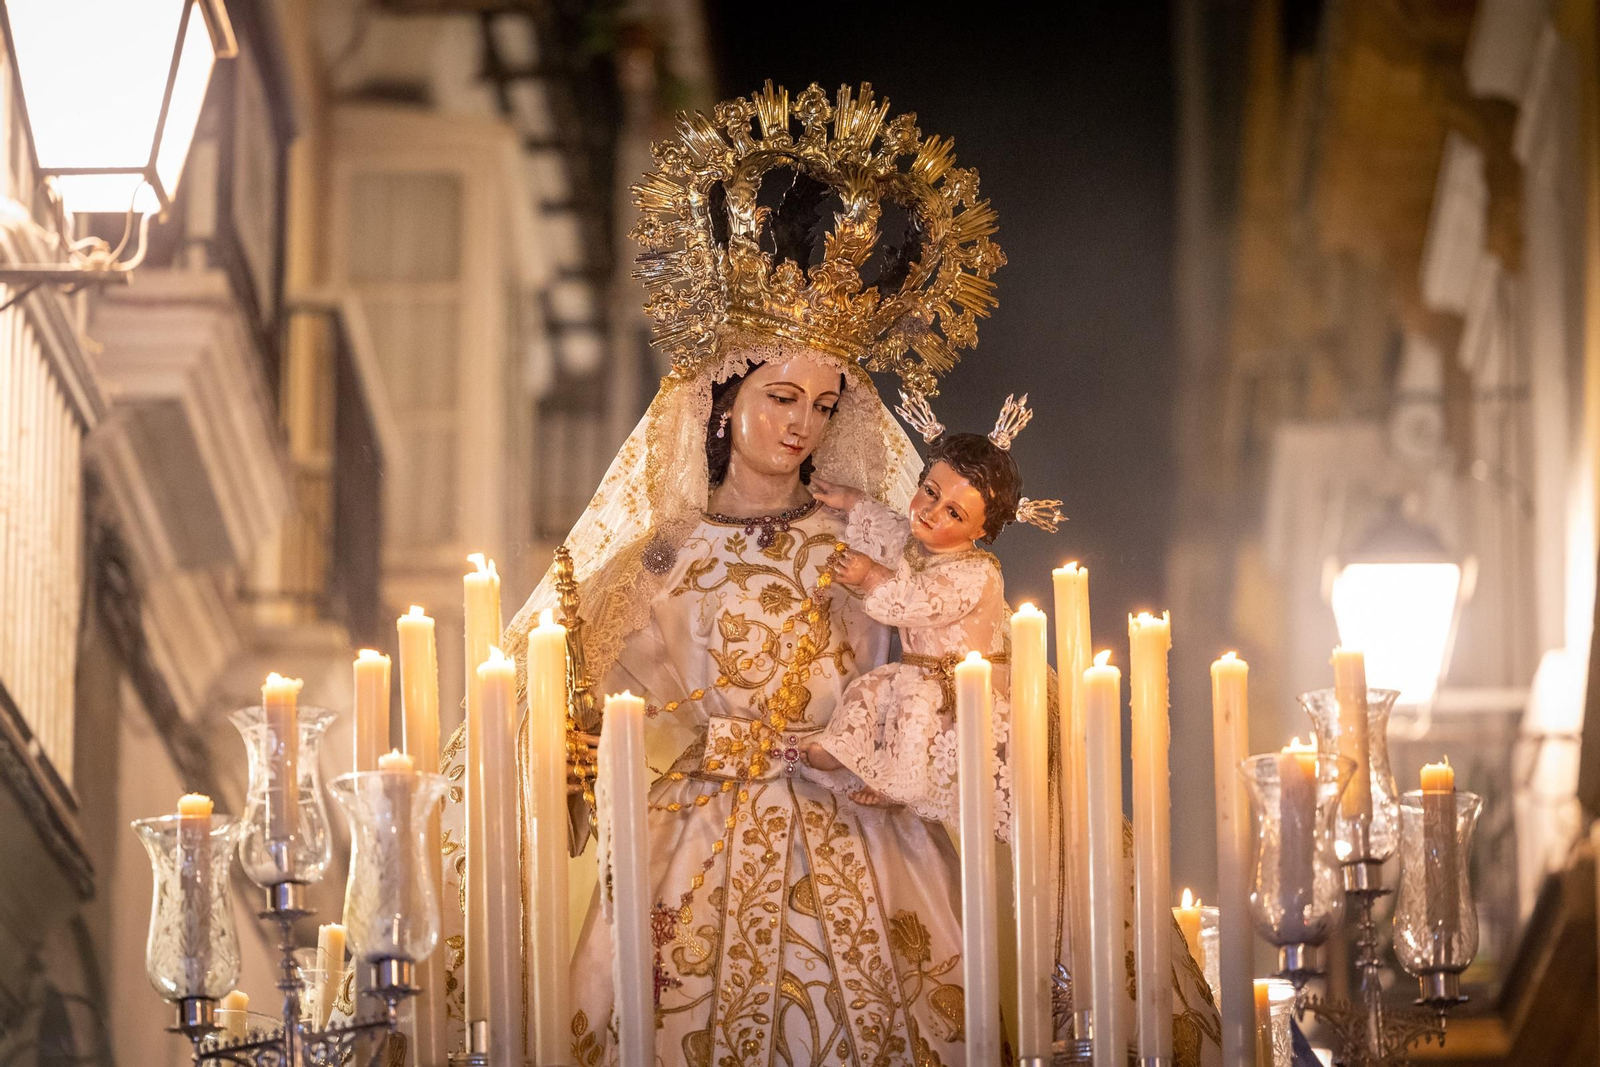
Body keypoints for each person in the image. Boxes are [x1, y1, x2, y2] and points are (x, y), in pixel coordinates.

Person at [432, 80, 1220, 1067]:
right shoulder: (660, 553)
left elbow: (964, 676)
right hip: (691, 848)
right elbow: (564, 703)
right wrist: (569, 747)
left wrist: (929, 740)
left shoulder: (884, 545)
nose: (801, 423)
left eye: (822, 402)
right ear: (723, 398)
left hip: (865, 829)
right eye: (779, 396)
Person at [804, 393, 1065, 836]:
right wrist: (851, 501)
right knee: (869, 688)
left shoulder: (976, 573)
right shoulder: (917, 542)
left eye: (953, 513)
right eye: (930, 491)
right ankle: (839, 747)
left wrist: (871, 577)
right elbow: (889, 526)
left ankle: (898, 783)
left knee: (915, 710)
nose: (929, 512)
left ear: (981, 530)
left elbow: (921, 601)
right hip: (918, 672)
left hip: (959, 691)